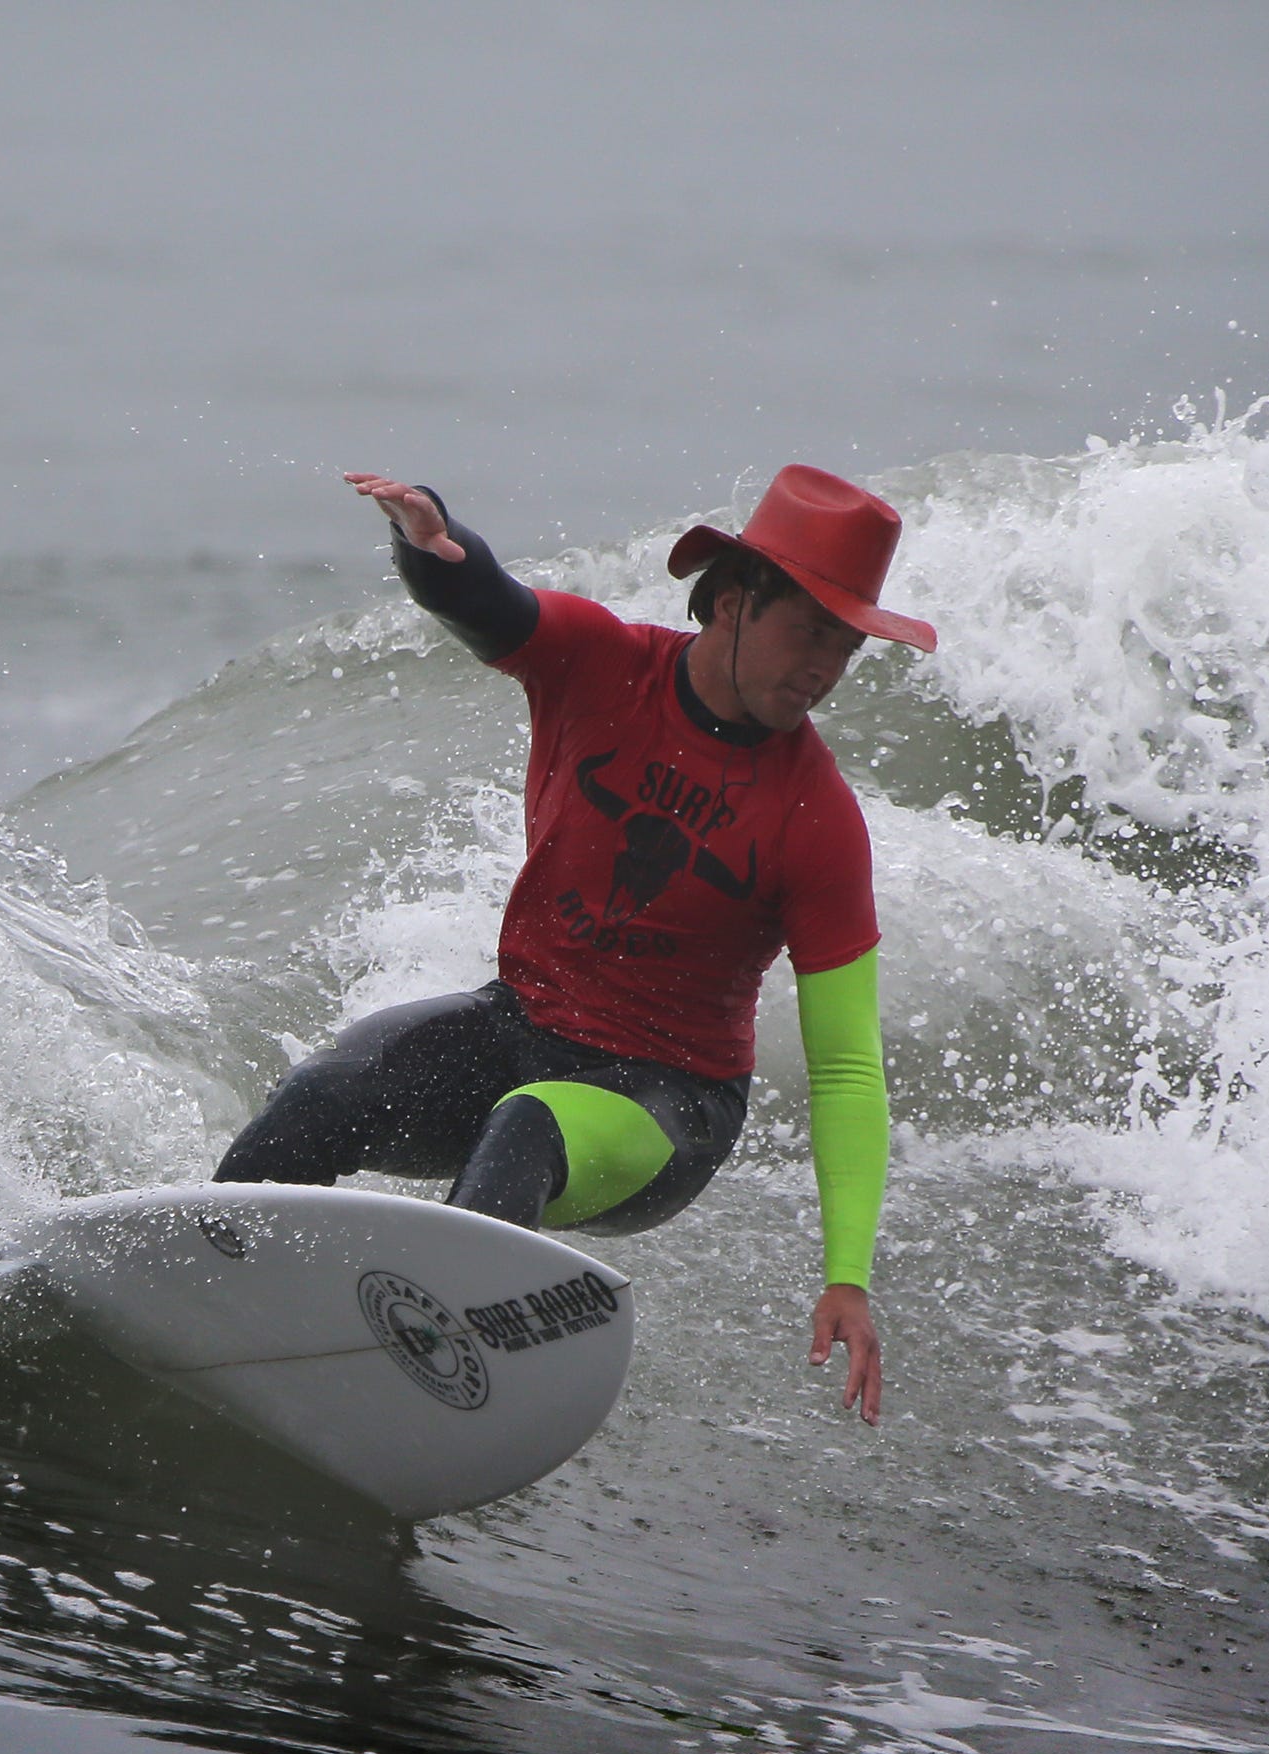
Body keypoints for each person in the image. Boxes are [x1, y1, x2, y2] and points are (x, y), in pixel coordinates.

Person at [213, 465, 934, 1424]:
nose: (824, 669)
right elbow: (490, 604)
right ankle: (210, 1304)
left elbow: (847, 1066)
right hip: (523, 1024)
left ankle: (416, 1401)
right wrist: (427, 543)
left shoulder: (817, 815)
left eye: (844, 646)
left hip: (663, 1102)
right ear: (732, 601)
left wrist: (847, 1276)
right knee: (323, 1093)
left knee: (526, 1128)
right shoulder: (602, 666)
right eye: (809, 631)